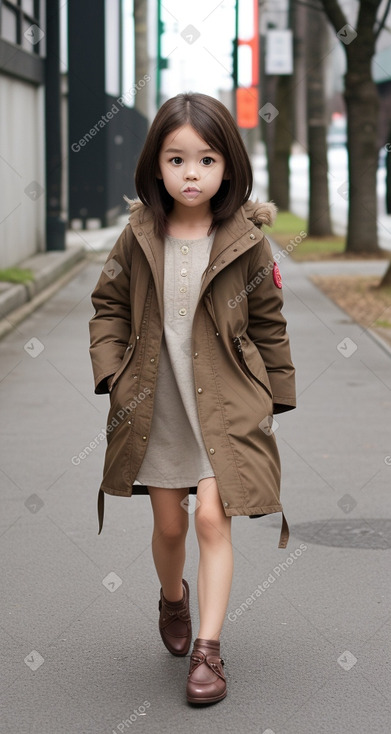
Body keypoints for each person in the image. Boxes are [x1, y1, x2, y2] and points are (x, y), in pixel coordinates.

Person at [88, 92, 296, 705]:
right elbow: (106, 308)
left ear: (228, 166)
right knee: (171, 524)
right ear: (156, 164)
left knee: (212, 517)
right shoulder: (138, 236)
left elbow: (269, 323)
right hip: (157, 405)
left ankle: (208, 651)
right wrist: (113, 377)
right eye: (177, 160)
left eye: (206, 160)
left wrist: (274, 397)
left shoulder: (246, 240)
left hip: (227, 405)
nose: (191, 174)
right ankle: (173, 598)